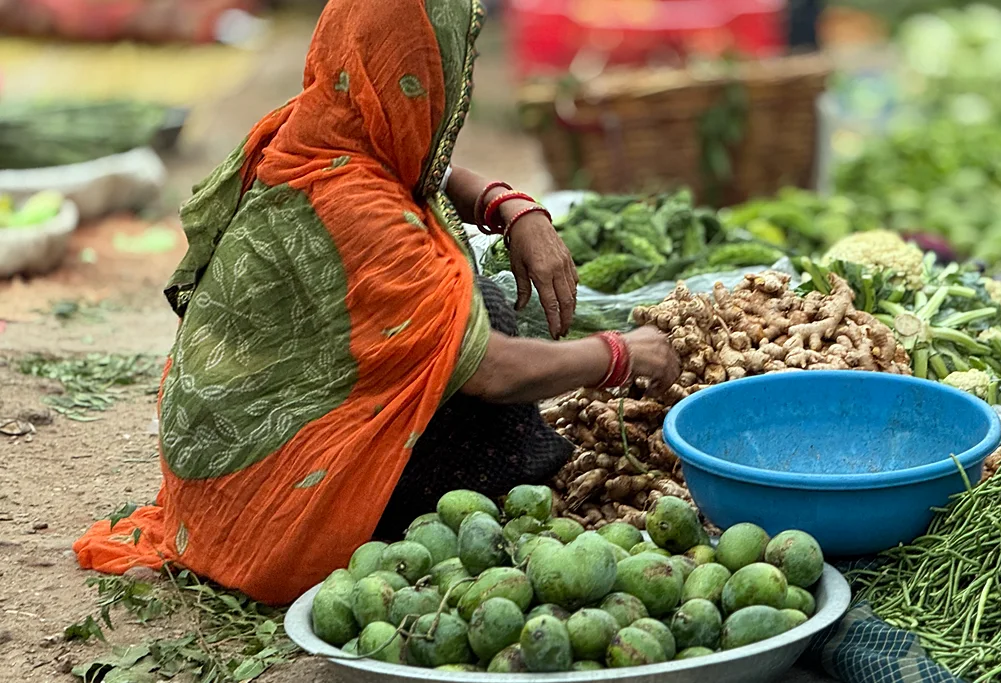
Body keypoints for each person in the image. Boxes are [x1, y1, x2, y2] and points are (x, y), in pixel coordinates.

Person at [73, 0, 680, 605]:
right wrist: (621, 354)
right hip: (280, 500)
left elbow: (429, 171)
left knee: (470, 302)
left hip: (231, 449)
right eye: (440, 67)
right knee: (478, 322)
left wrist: (510, 207)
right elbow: (490, 372)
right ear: (406, 76)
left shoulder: (318, 124)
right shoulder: (357, 205)